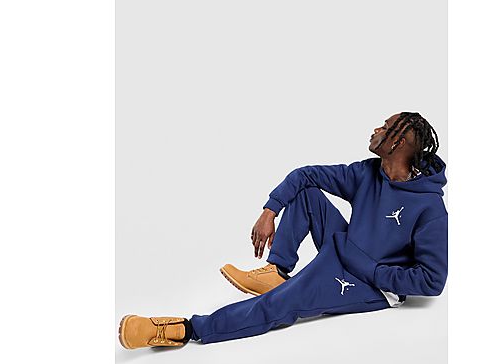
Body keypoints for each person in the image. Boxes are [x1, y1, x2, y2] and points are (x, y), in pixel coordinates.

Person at [118, 111, 448, 349]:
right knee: (307, 194)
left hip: (368, 283)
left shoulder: (430, 208)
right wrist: (270, 211)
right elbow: (305, 175)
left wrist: (373, 271)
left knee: (279, 305)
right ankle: (277, 270)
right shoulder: (368, 173)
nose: (376, 129)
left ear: (399, 142)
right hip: (345, 248)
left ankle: (187, 329)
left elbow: (433, 281)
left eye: (385, 127)